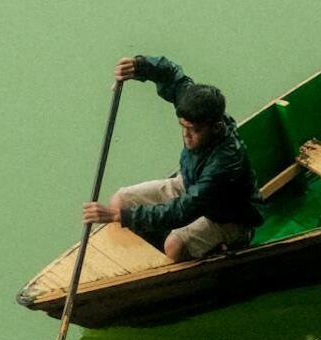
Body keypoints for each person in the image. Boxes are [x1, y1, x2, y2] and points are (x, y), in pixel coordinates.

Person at [82, 55, 264, 262]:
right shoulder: (194, 106)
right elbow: (171, 74)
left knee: (174, 246)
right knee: (120, 200)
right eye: (183, 127)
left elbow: (184, 209)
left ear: (215, 126)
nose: (187, 135)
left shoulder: (225, 163)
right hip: (189, 184)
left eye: (194, 130)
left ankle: (230, 245)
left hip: (228, 215)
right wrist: (138, 66)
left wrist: (121, 217)